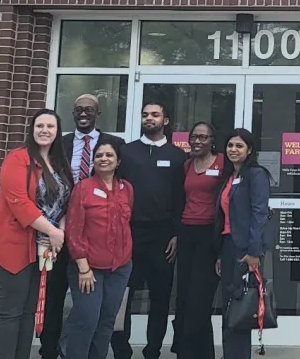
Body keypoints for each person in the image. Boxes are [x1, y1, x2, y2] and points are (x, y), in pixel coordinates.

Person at [40, 93, 125, 359]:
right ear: (73, 113)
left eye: (89, 109)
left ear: (98, 114)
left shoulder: (114, 145)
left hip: (95, 237)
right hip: (59, 232)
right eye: (78, 109)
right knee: (54, 297)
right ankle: (49, 351)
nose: (83, 113)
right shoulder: (60, 144)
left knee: (91, 305)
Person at [0, 108, 72, 359]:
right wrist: (54, 232)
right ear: (32, 130)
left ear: (57, 132)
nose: (45, 131)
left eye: (50, 127)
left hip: (44, 247)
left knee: (30, 312)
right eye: (39, 126)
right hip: (15, 245)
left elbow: (67, 202)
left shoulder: (59, 163)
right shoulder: (17, 158)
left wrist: (59, 233)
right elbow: (19, 202)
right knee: (11, 312)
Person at [111, 101, 187, 359]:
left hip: (163, 236)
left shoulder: (179, 157)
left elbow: (181, 199)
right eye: (145, 115)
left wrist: (176, 233)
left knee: (160, 295)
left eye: (155, 114)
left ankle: (153, 349)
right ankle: (121, 348)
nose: (149, 118)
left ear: (166, 120)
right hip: (128, 233)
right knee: (123, 294)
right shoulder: (127, 152)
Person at [59, 141, 134, 359]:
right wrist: (83, 267)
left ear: (118, 161)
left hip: (120, 267)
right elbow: (73, 229)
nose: (104, 159)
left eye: (109, 155)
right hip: (88, 269)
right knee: (87, 319)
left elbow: (126, 223)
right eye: (99, 155)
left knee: (107, 321)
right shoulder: (83, 188)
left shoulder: (126, 188)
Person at [215, 128, 271, 359]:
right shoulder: (229, 177)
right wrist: (220, 253)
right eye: (230, 145)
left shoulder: (256, 175)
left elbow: (260, 213)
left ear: (249, 150)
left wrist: (254, 252)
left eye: (239, 146)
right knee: (228, 307)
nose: (233, 150)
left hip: (246, 250)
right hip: (228, 246)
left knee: (240, 307)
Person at [173, 121, 224, 359]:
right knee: (184, 295)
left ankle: (189, 351)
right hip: (186, 233)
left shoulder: (222, 163)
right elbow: (181, 200)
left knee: (199, 298)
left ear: (212, 140)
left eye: (203, 137)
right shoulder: (186, 165)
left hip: (209, 236)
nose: (197, 141)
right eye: (194, 137)